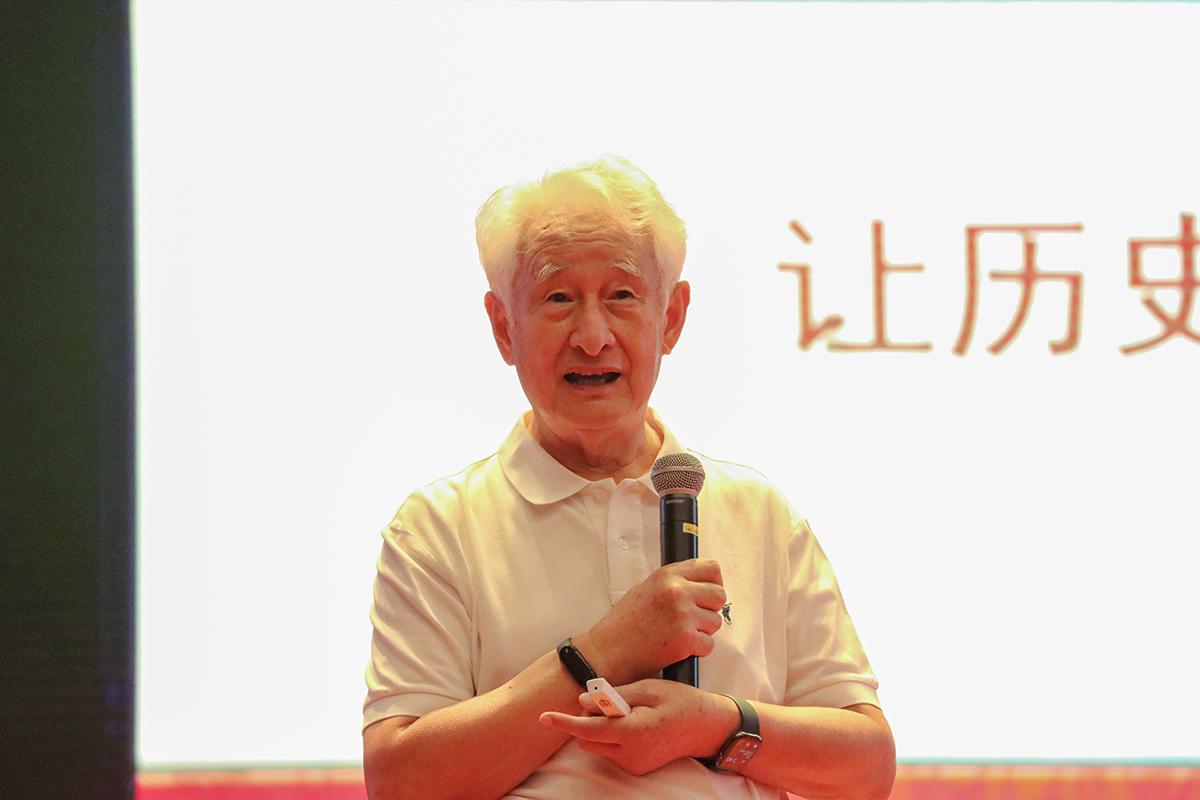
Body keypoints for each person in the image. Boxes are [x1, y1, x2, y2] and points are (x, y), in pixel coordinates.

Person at [362, 155, 895, 800]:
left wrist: (715, 727)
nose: (592, 338)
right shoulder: (437, 527)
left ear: (671, 317)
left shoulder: (758, 512)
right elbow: (400, 781)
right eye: (558, 298)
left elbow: (866, 768)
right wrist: (600, 652)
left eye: (621, 296)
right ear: (504, 327)